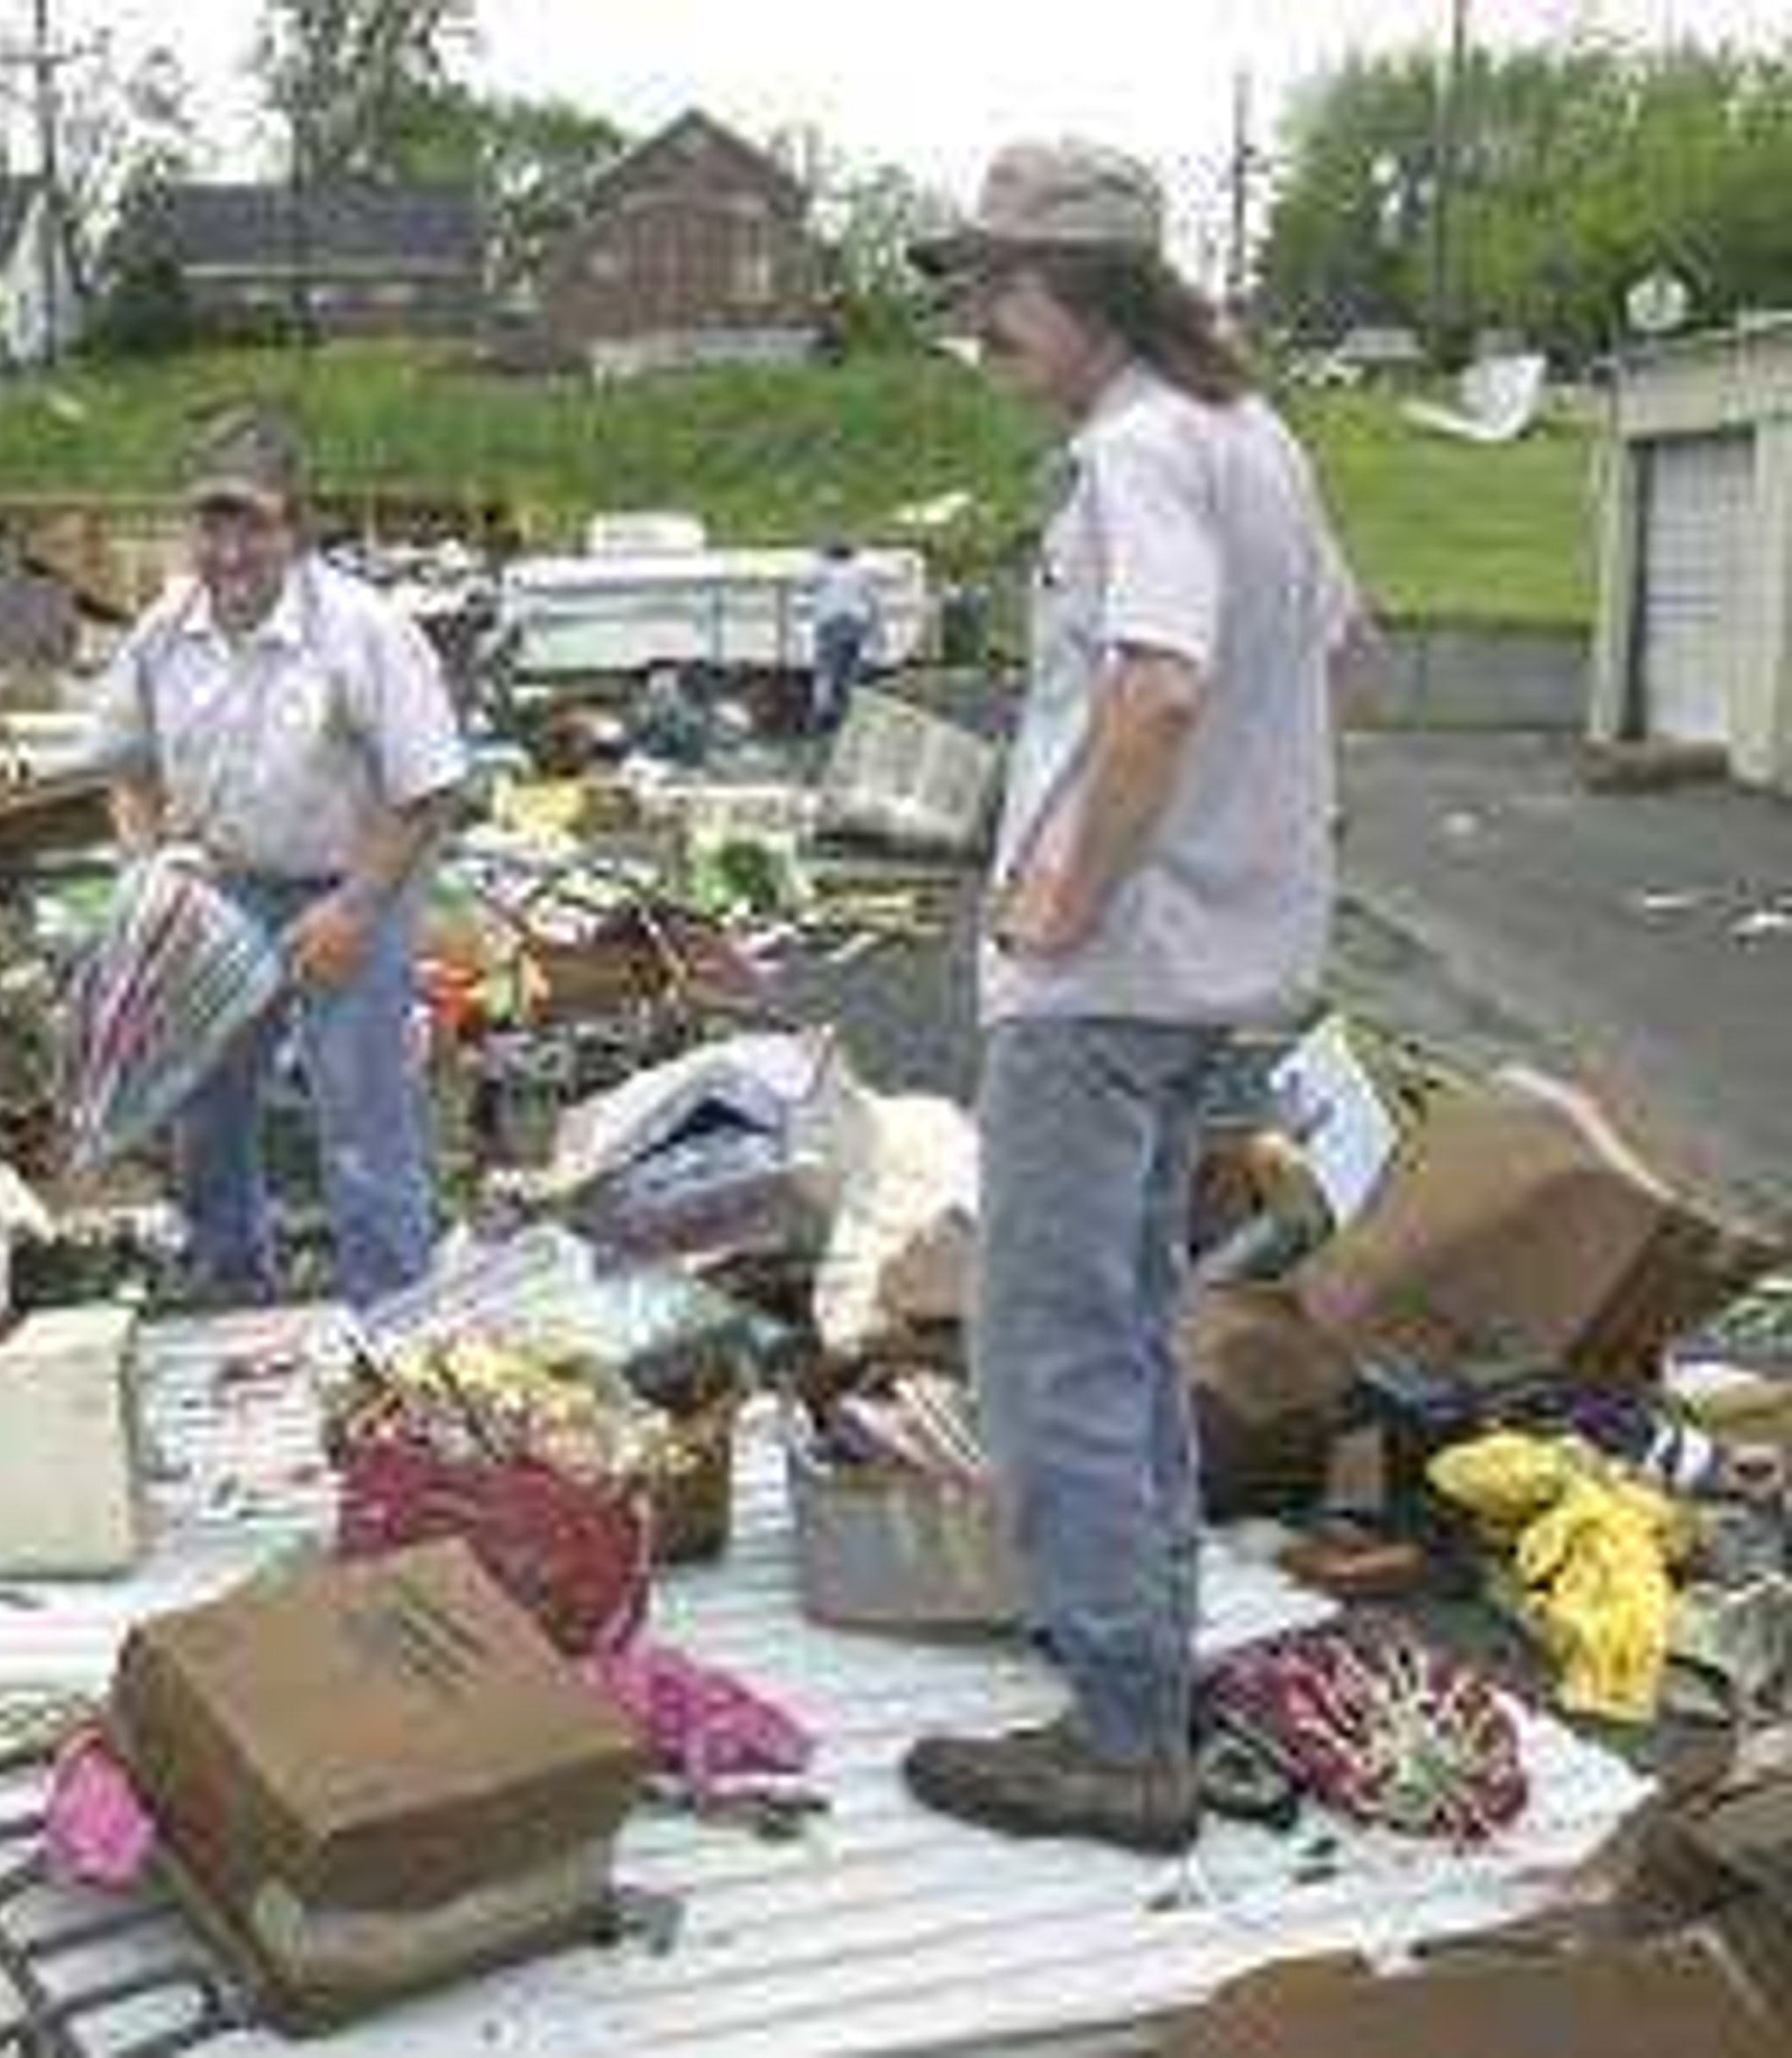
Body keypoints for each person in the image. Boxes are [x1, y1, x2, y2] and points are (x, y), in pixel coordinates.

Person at [897, 141, 1361, 1854]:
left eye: (994, 292)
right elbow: (1332, 656)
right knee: (1125, 1332)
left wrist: (1056, 906)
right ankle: (1143, 1666)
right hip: (1203, 973)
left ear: (1083, 290)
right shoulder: (1259, 441)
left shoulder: (1140, 453)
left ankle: (1117, 1736)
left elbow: (1159, 692)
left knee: (1049, 1353)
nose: (978, 327)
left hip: (1105, 981)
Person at [89, 410, 469, 1308]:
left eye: (251, 523)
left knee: (359, 1119)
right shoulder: (163, 633)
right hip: (222, 886)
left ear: (295, 528)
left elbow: (427, 791)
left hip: (352, 884)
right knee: (204, 1103)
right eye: (211, 523)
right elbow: (126, 766)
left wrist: (354, 911)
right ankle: (232, 1283)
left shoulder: (363, 632)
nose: (228, 550)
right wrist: (151, 871)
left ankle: (393, 1315)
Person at [809, 539, 878, 733]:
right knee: (848, 671)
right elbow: (872, 602)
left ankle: (823, 715)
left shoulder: (824, 571)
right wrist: (875, 632)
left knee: (827, 671)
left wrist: (818, 556)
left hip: (830, 623)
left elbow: (807, 583)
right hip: (855, 623)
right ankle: (848, 713)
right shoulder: (860, 572)